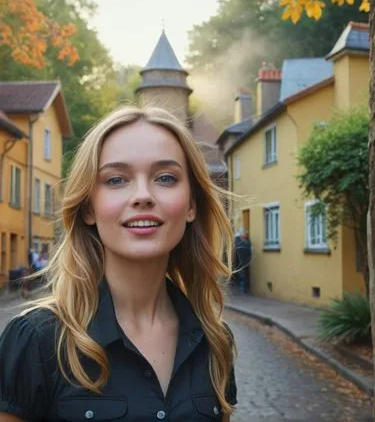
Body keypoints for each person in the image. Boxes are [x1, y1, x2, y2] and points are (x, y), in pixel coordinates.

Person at [0, 106, 237, 421]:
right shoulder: (36, 340)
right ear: (88, 208)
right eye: (116, 180)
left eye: (166, 177)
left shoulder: (215, 340)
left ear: (191, 204)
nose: (142, 196)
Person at [234, 228, 252, 294]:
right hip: (241, 262)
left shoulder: (243, 241)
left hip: (243, 262)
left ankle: (242, 290)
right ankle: (242, 291)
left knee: (242, 276)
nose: (246, 235)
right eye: (245, 234)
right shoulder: (240, 241)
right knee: (242, 276)